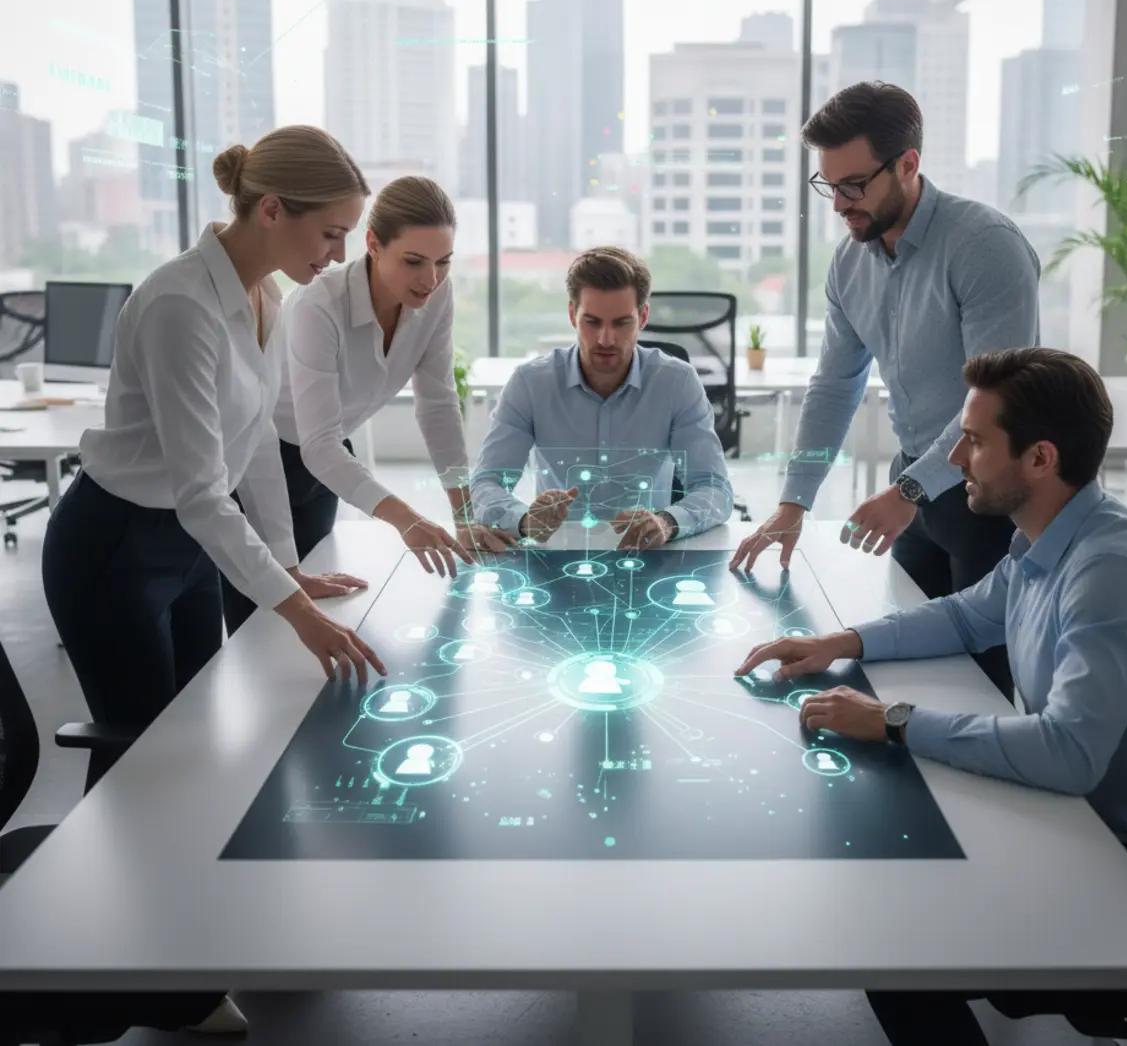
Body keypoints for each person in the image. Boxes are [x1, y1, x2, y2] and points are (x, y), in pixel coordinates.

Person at [735, 346, 1127, 1046]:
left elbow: (1069, 753)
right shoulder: (1050, 535)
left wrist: (891, 719)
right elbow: (967, 615)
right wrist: (841, 642)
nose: (954, 460)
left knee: (888, 938)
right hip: (1084, 823)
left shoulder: (1109, 570)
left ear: (1039, 459)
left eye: (974, 441)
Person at [43, 126, 388, 764]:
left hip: (193, 546)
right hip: (116, 549)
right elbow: (202, 491)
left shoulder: (267, 295)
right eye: (332, 232)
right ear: (273, 209)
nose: (339, 255)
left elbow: (254, 441)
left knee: (195, 743)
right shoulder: (181, 304)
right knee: (141, 762)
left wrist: (286, 568)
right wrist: (302, 618)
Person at [730, 81, 1041, 701]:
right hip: (919, 487)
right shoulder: (850, 262)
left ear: (908, 164)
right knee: (909, 666)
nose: (841, 203)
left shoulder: (985, 246)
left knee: (991, 682)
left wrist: (909, 489)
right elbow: (833, 387)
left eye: (855, 185)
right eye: (829, 186)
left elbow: (998, 400)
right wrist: (794, 500)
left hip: (991, 496)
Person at [220, 175, 504, 633]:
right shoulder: (319, 304)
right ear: (372, 244)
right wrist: (407, 519)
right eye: (413, 261)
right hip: (260, 470)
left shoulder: (436, 295)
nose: (430, 279)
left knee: (328, 616)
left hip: (326, 467)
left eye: (443, 262)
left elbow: (437, 404)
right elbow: (317, 445)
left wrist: (464, 516)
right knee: (259, 631)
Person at [470, 247, 733, 546]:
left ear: (643, 316)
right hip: (560, 555)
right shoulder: (529, 384)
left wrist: (667, 521)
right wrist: (524, 520)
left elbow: (715, 489)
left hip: (648, 556)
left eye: (621, 323)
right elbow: (485, 483)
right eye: (592, 322)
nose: (605, 339)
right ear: (572, 314)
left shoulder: (677, 382)